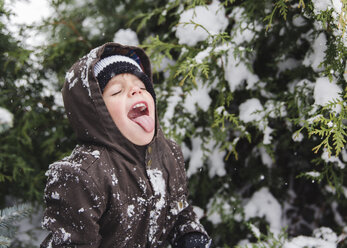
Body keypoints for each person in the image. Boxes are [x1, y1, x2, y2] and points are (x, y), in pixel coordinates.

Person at [41, 42, 211, 248]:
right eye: (116, 91)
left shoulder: (168, 153)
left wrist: (190, 236)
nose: (135, 91)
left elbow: (179, 212)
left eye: (142, 87)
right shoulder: (82, 176)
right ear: (96, 113)